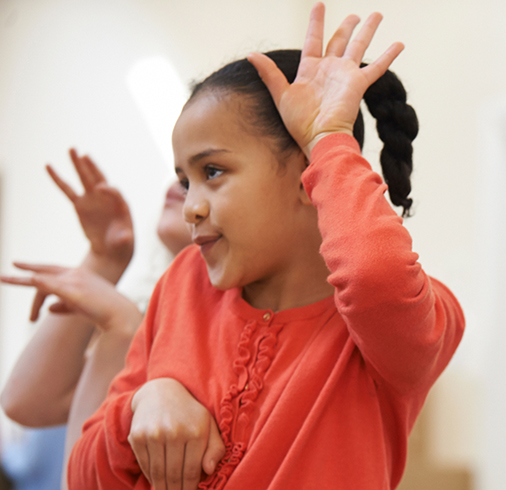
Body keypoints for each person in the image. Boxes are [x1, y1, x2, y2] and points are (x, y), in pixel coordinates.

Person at [38, 4, 465, 489]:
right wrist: (142, 404)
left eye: (212, 172)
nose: (189, 207)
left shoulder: (413, 316)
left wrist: (327, 137)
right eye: (185, 180)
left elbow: (374, 274)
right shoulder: (181, 286)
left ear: (311, 174)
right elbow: (84, 477)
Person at [0, 150, 190, 490]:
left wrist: (122, 328)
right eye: (180, 169)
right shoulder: (161, 311)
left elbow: (80, 481)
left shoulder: (210, 329)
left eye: (213, 170)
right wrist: (104, 259)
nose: (180, 182)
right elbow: (26, 402)